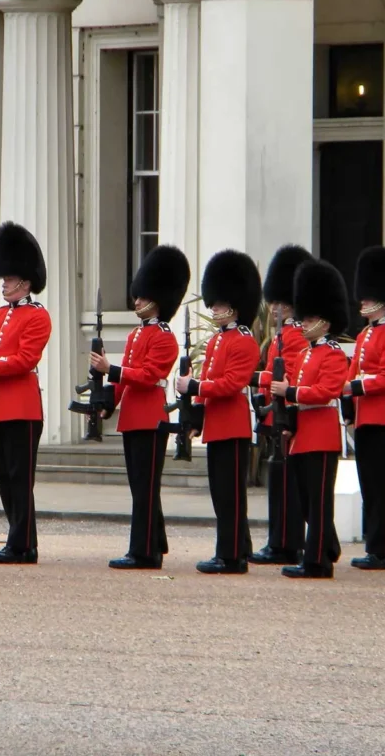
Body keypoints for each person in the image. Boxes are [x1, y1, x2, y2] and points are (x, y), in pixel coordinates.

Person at [91, 245, 190, 570]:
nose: (136, 301)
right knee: (139, 486)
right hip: (132, 417)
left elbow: (149, 376)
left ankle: (144, 551)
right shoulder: (136, 335)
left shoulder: (164, 338)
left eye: (142, 296)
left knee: (146, 488)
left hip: (150, 419)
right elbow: (125, 378)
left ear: (158, 299)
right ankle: (155, 541)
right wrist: (109, 402)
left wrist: (112, 370)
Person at [177, 250, 261, 574]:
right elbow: (212, 382)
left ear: (234, 306)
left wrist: (195, 387)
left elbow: (228, 385)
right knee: (220, 493)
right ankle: (234, 549)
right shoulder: (215, 342)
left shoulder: (244, 341)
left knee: (231, 495)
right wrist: (196, 417)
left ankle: (232, 555)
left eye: (219, 304)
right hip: (216, 423)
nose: (213, 309)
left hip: (234, 423)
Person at [270, 260, 351, 579]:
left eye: (311, 318)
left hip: (322, 432)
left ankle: (318, 561)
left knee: (318, 502)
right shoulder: (305, 354)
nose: (304, 323)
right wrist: (288, 421)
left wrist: (291, 392)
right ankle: (323, 548)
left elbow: (327, 390)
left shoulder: (333, 353)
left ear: (326, 322)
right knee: (306, 500)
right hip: (303, 432)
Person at [0, 222, 53, 565]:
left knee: (21, 479)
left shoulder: (38, 316)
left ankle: (23, 544)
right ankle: (18, 539)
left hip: (23, 406)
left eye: (9, 279)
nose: (5, 283)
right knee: (6, 477)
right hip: (0, 406)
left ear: (25, 282)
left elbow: (25, 359)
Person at [342, 247, 385, 570]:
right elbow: (353, 371)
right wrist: (350, 411)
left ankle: (384, 549)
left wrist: (355, 387)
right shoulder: (365, 334)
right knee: (369, 483)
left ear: (383, 301)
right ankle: (378, 543)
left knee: (380, 484)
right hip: (366, 417)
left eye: (368, 299)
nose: (363, 303)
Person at [248, 244, 312, 566]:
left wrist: (255, 378)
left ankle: (287, 542)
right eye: (273, 302)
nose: (274, 308)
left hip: (288, 414)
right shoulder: (280, 336)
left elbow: (291, 375)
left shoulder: (298, 336)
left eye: (281, 303)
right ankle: (279, 540)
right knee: (278, 478)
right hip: (275, 413)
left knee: (287, 481)